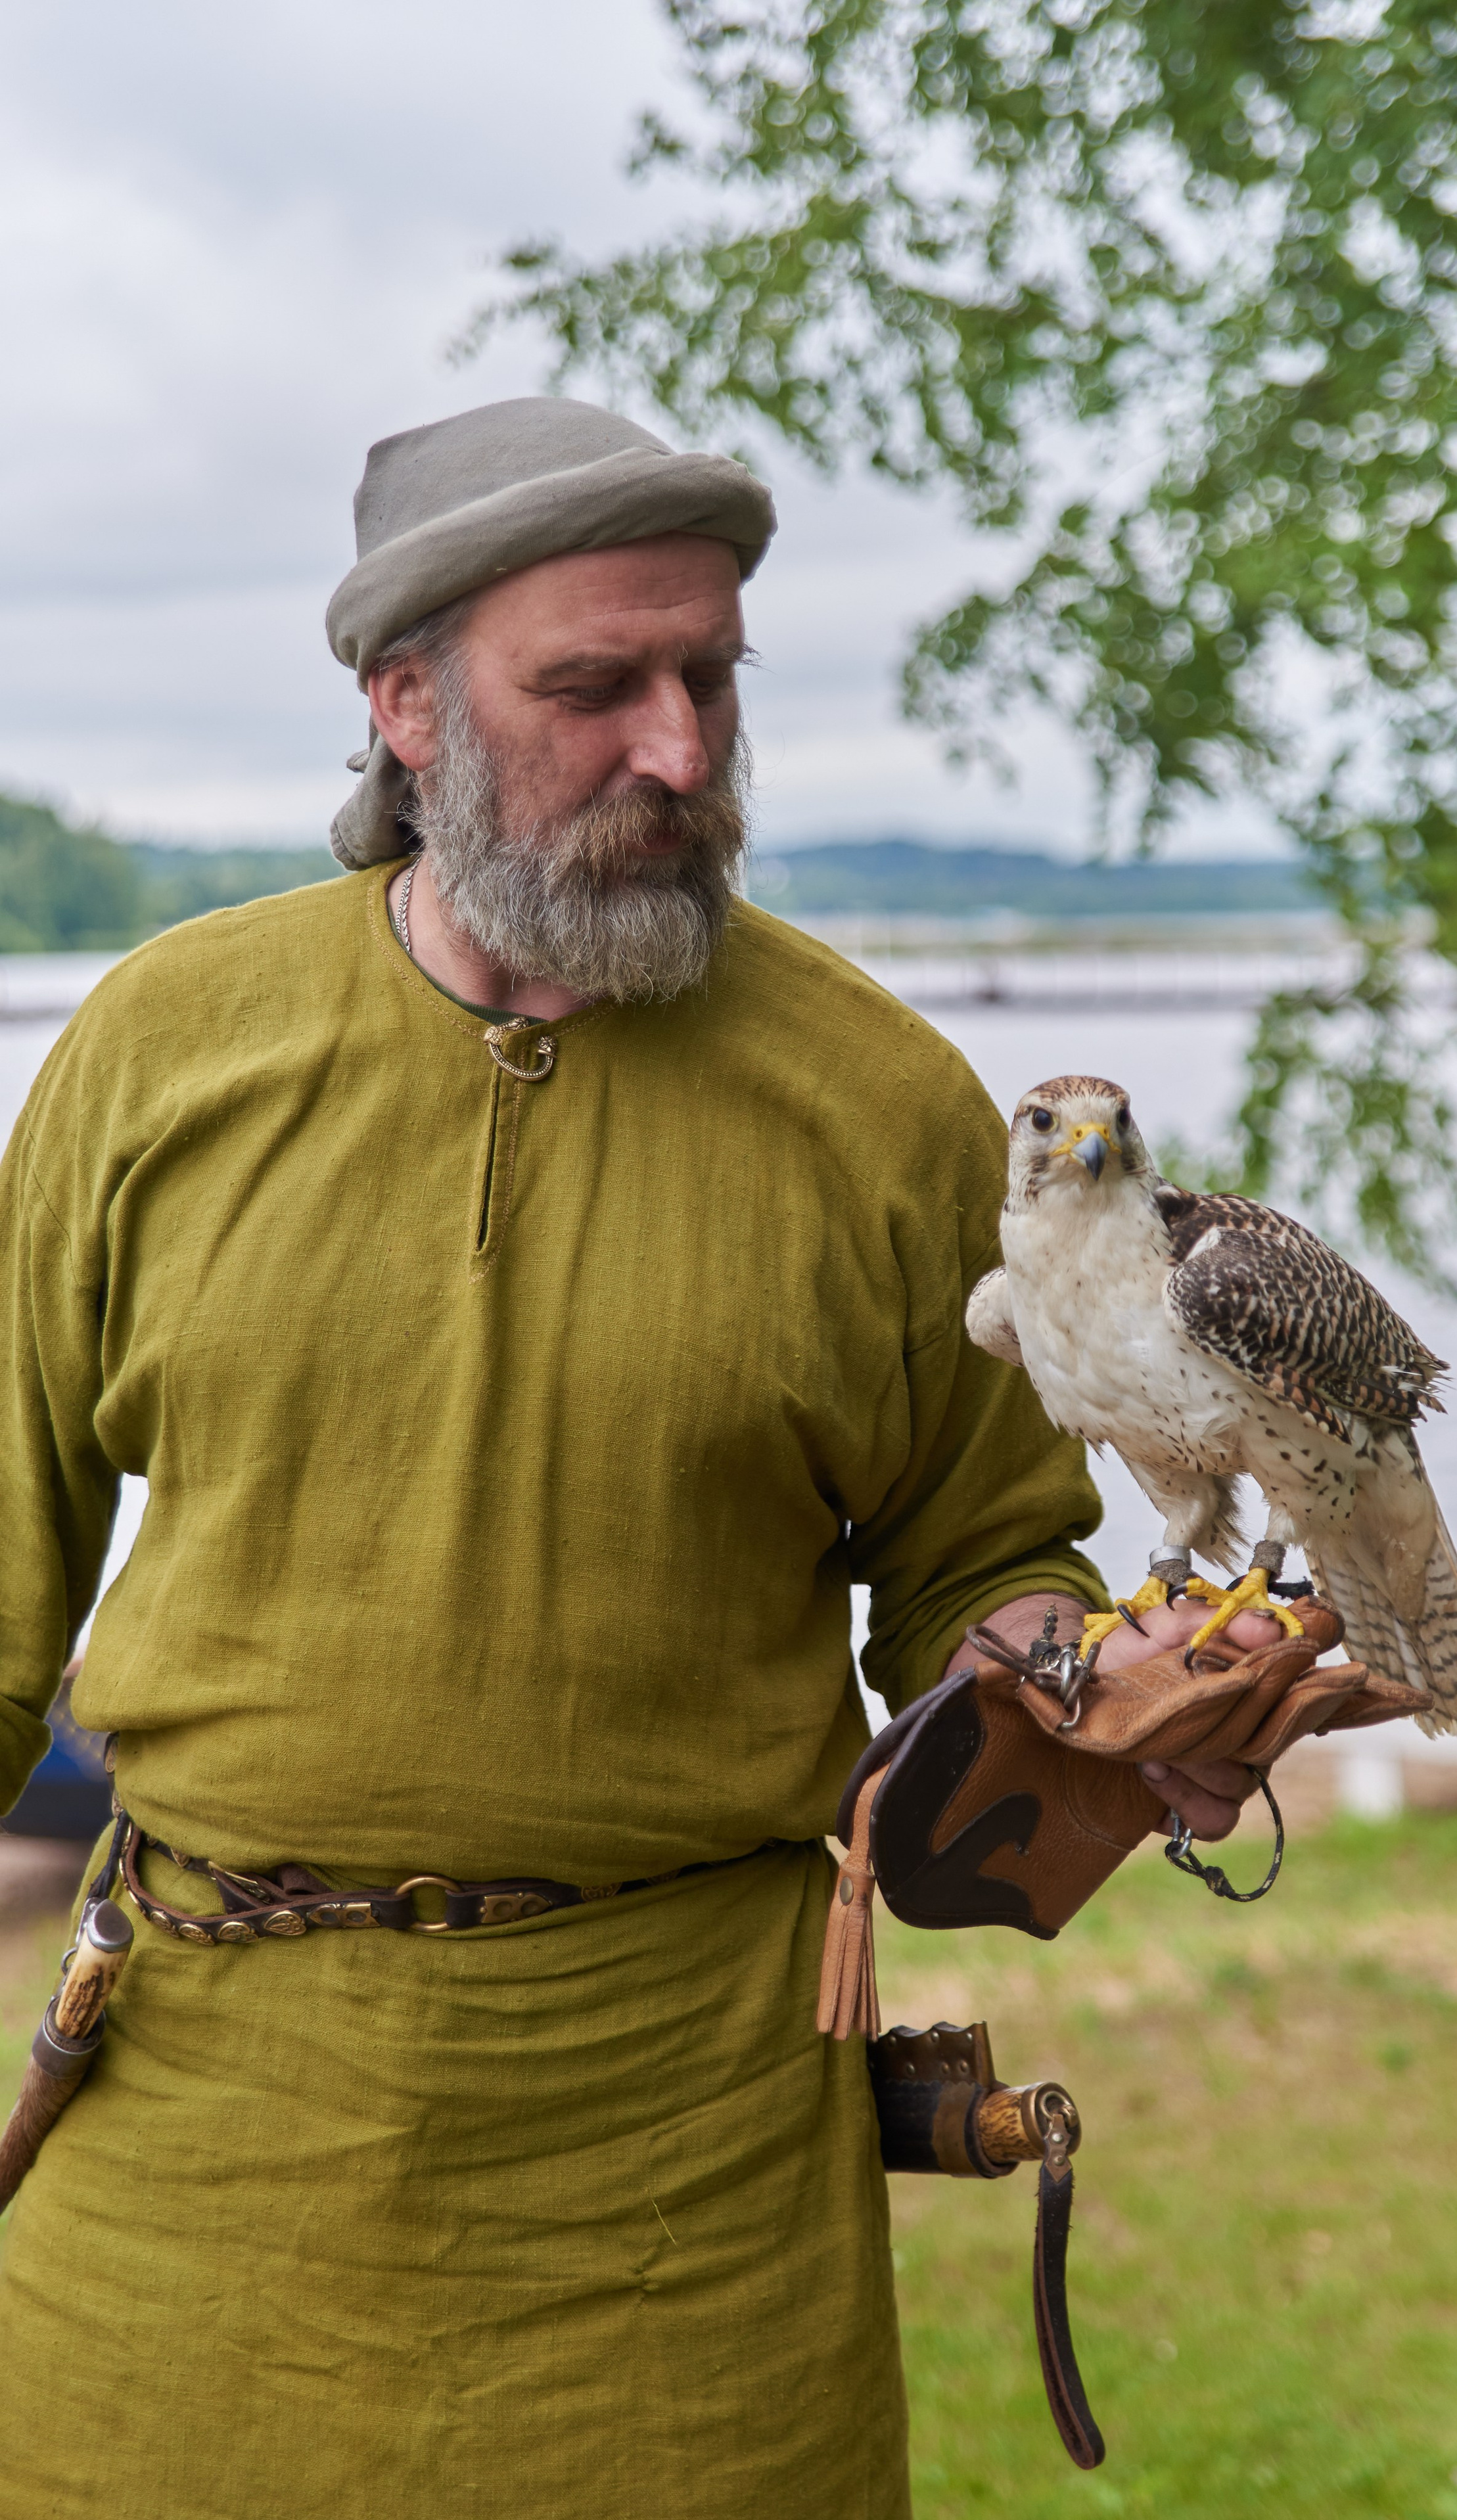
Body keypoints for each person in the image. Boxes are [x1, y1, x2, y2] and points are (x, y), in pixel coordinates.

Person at [0, 397, 1273, 2519]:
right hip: (194, 2168)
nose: (680, 752)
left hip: (687, 2198)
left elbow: (982, 1555)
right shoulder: (157, 1054)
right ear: (405, 704)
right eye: (593, 687)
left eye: (711, 677)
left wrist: (1091, 1692)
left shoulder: (872, 1102)